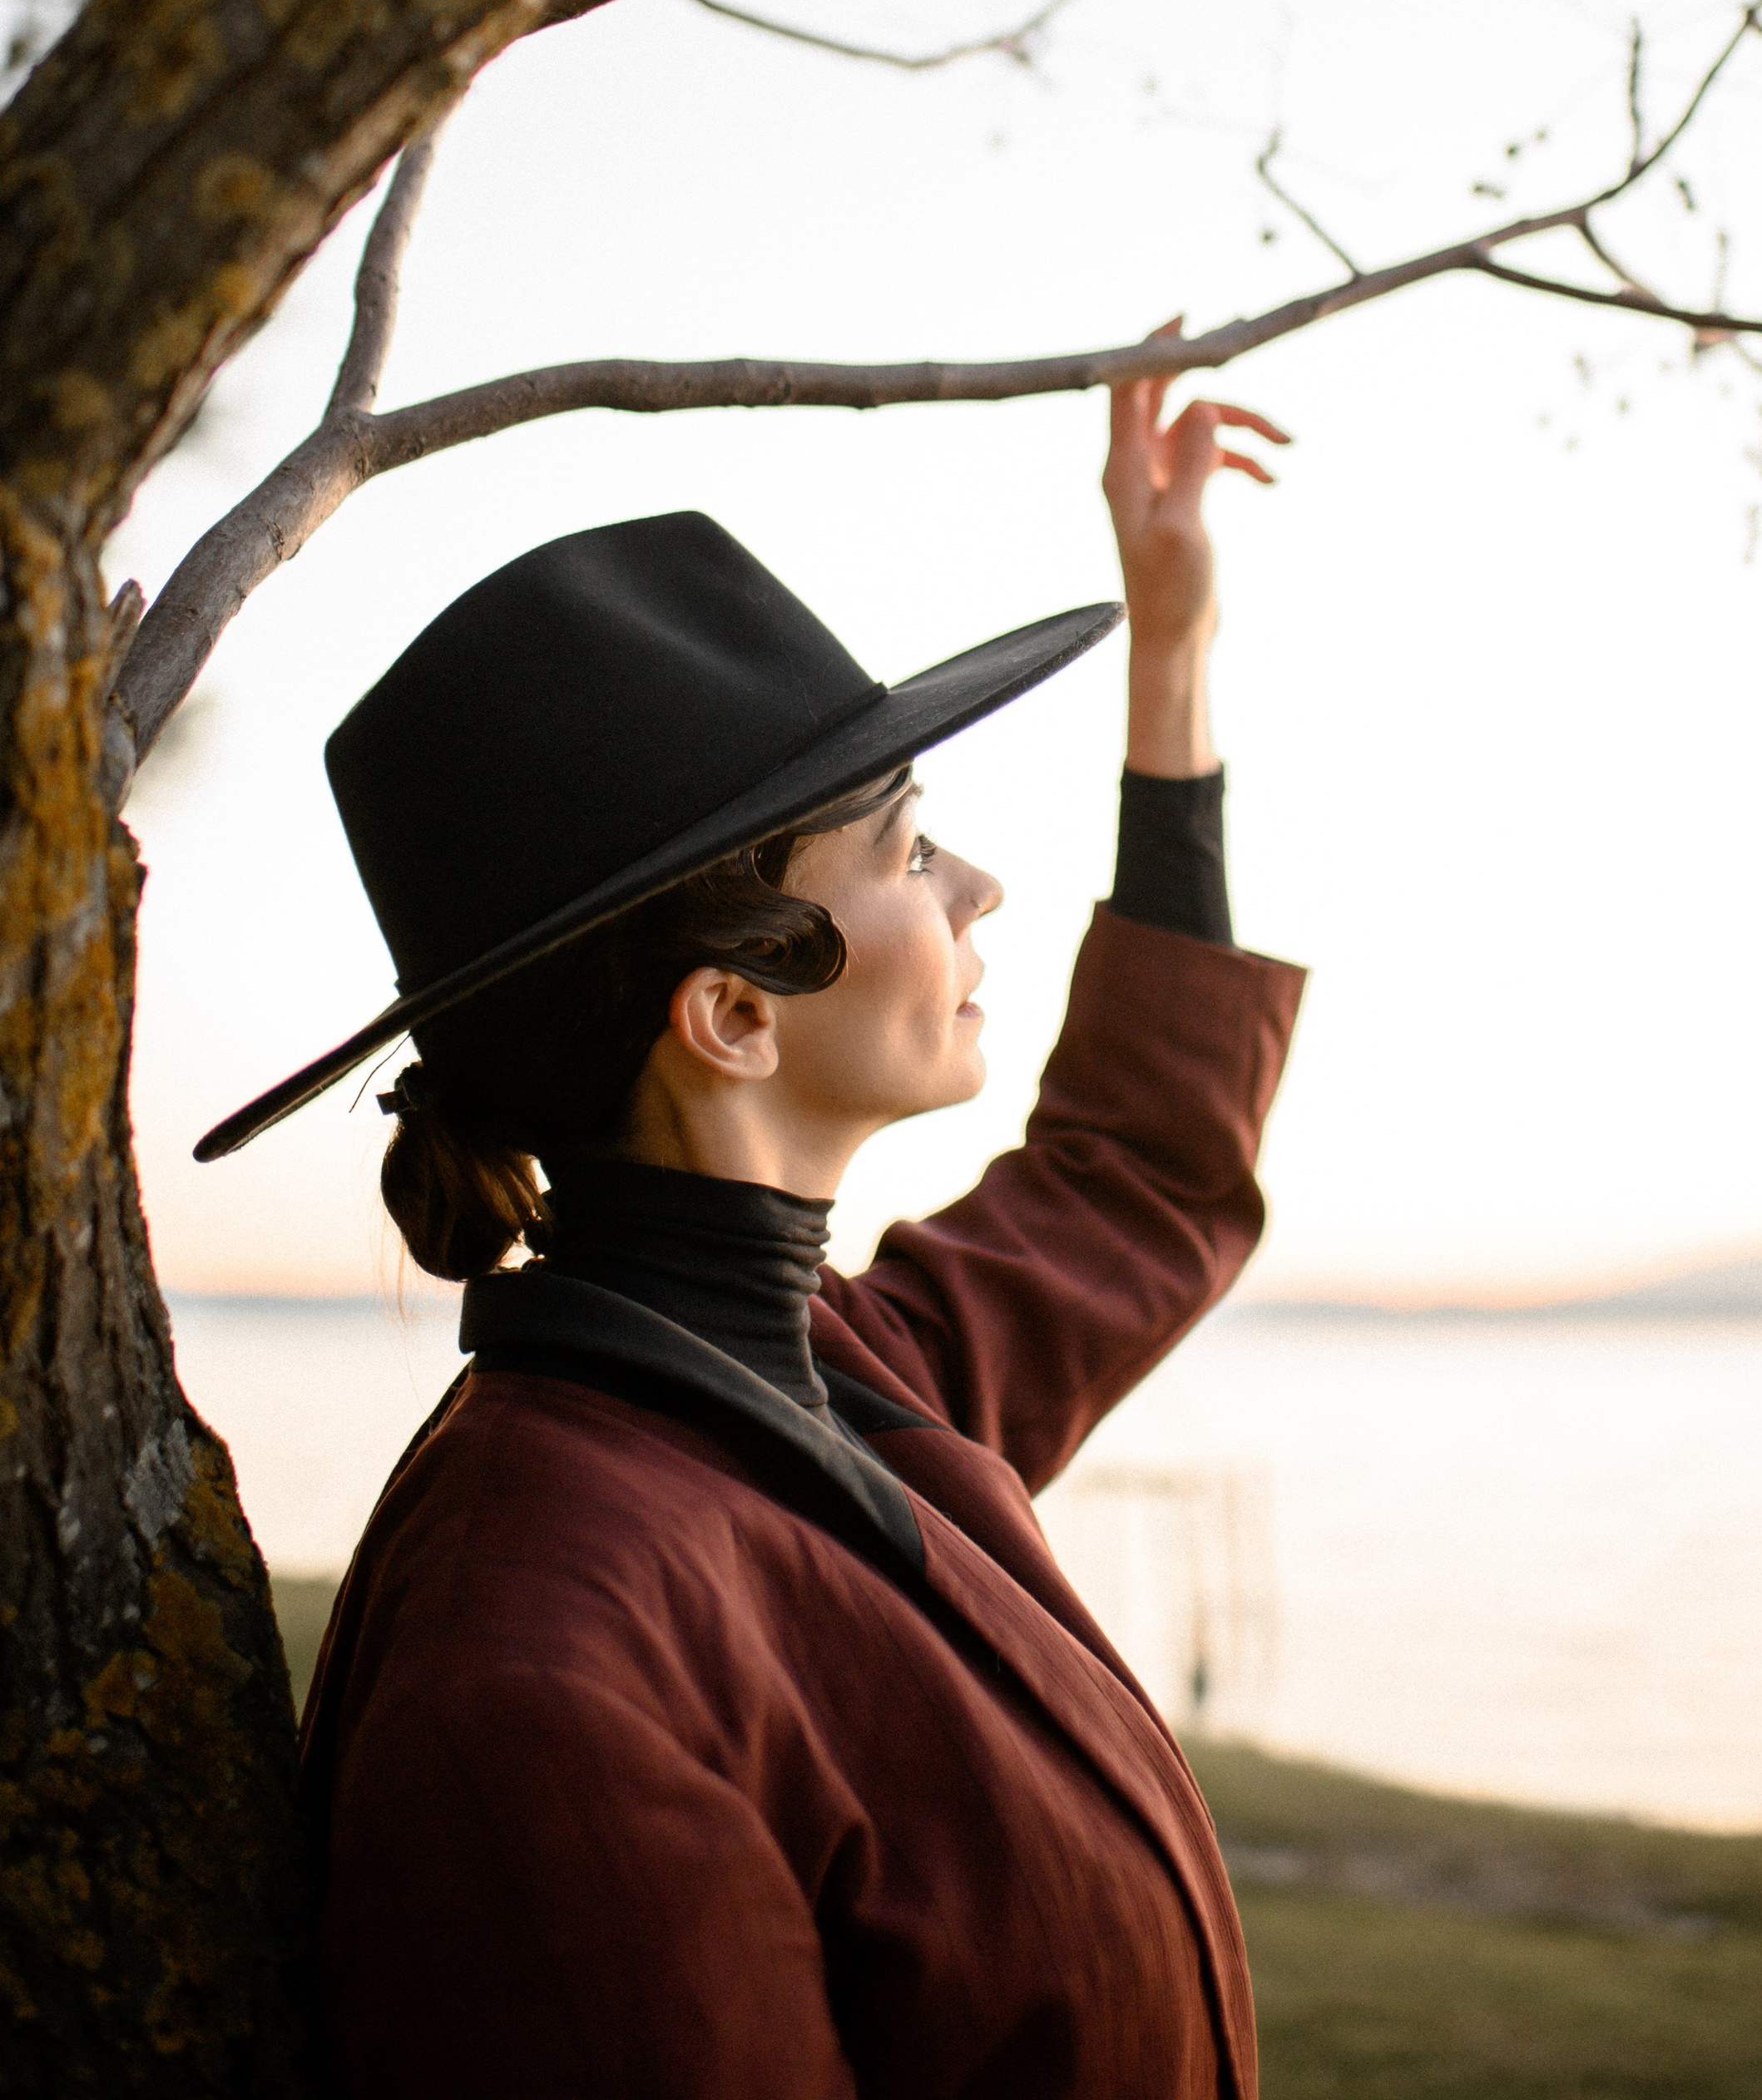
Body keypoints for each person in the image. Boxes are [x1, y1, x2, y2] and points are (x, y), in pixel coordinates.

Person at [197, 362, 1305, 2100]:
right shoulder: (547, 1664)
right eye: (908, 844)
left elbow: (1139, 1175)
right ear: (730, 1010)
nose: (974, 890)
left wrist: (1172, 656)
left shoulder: (835, 1374)